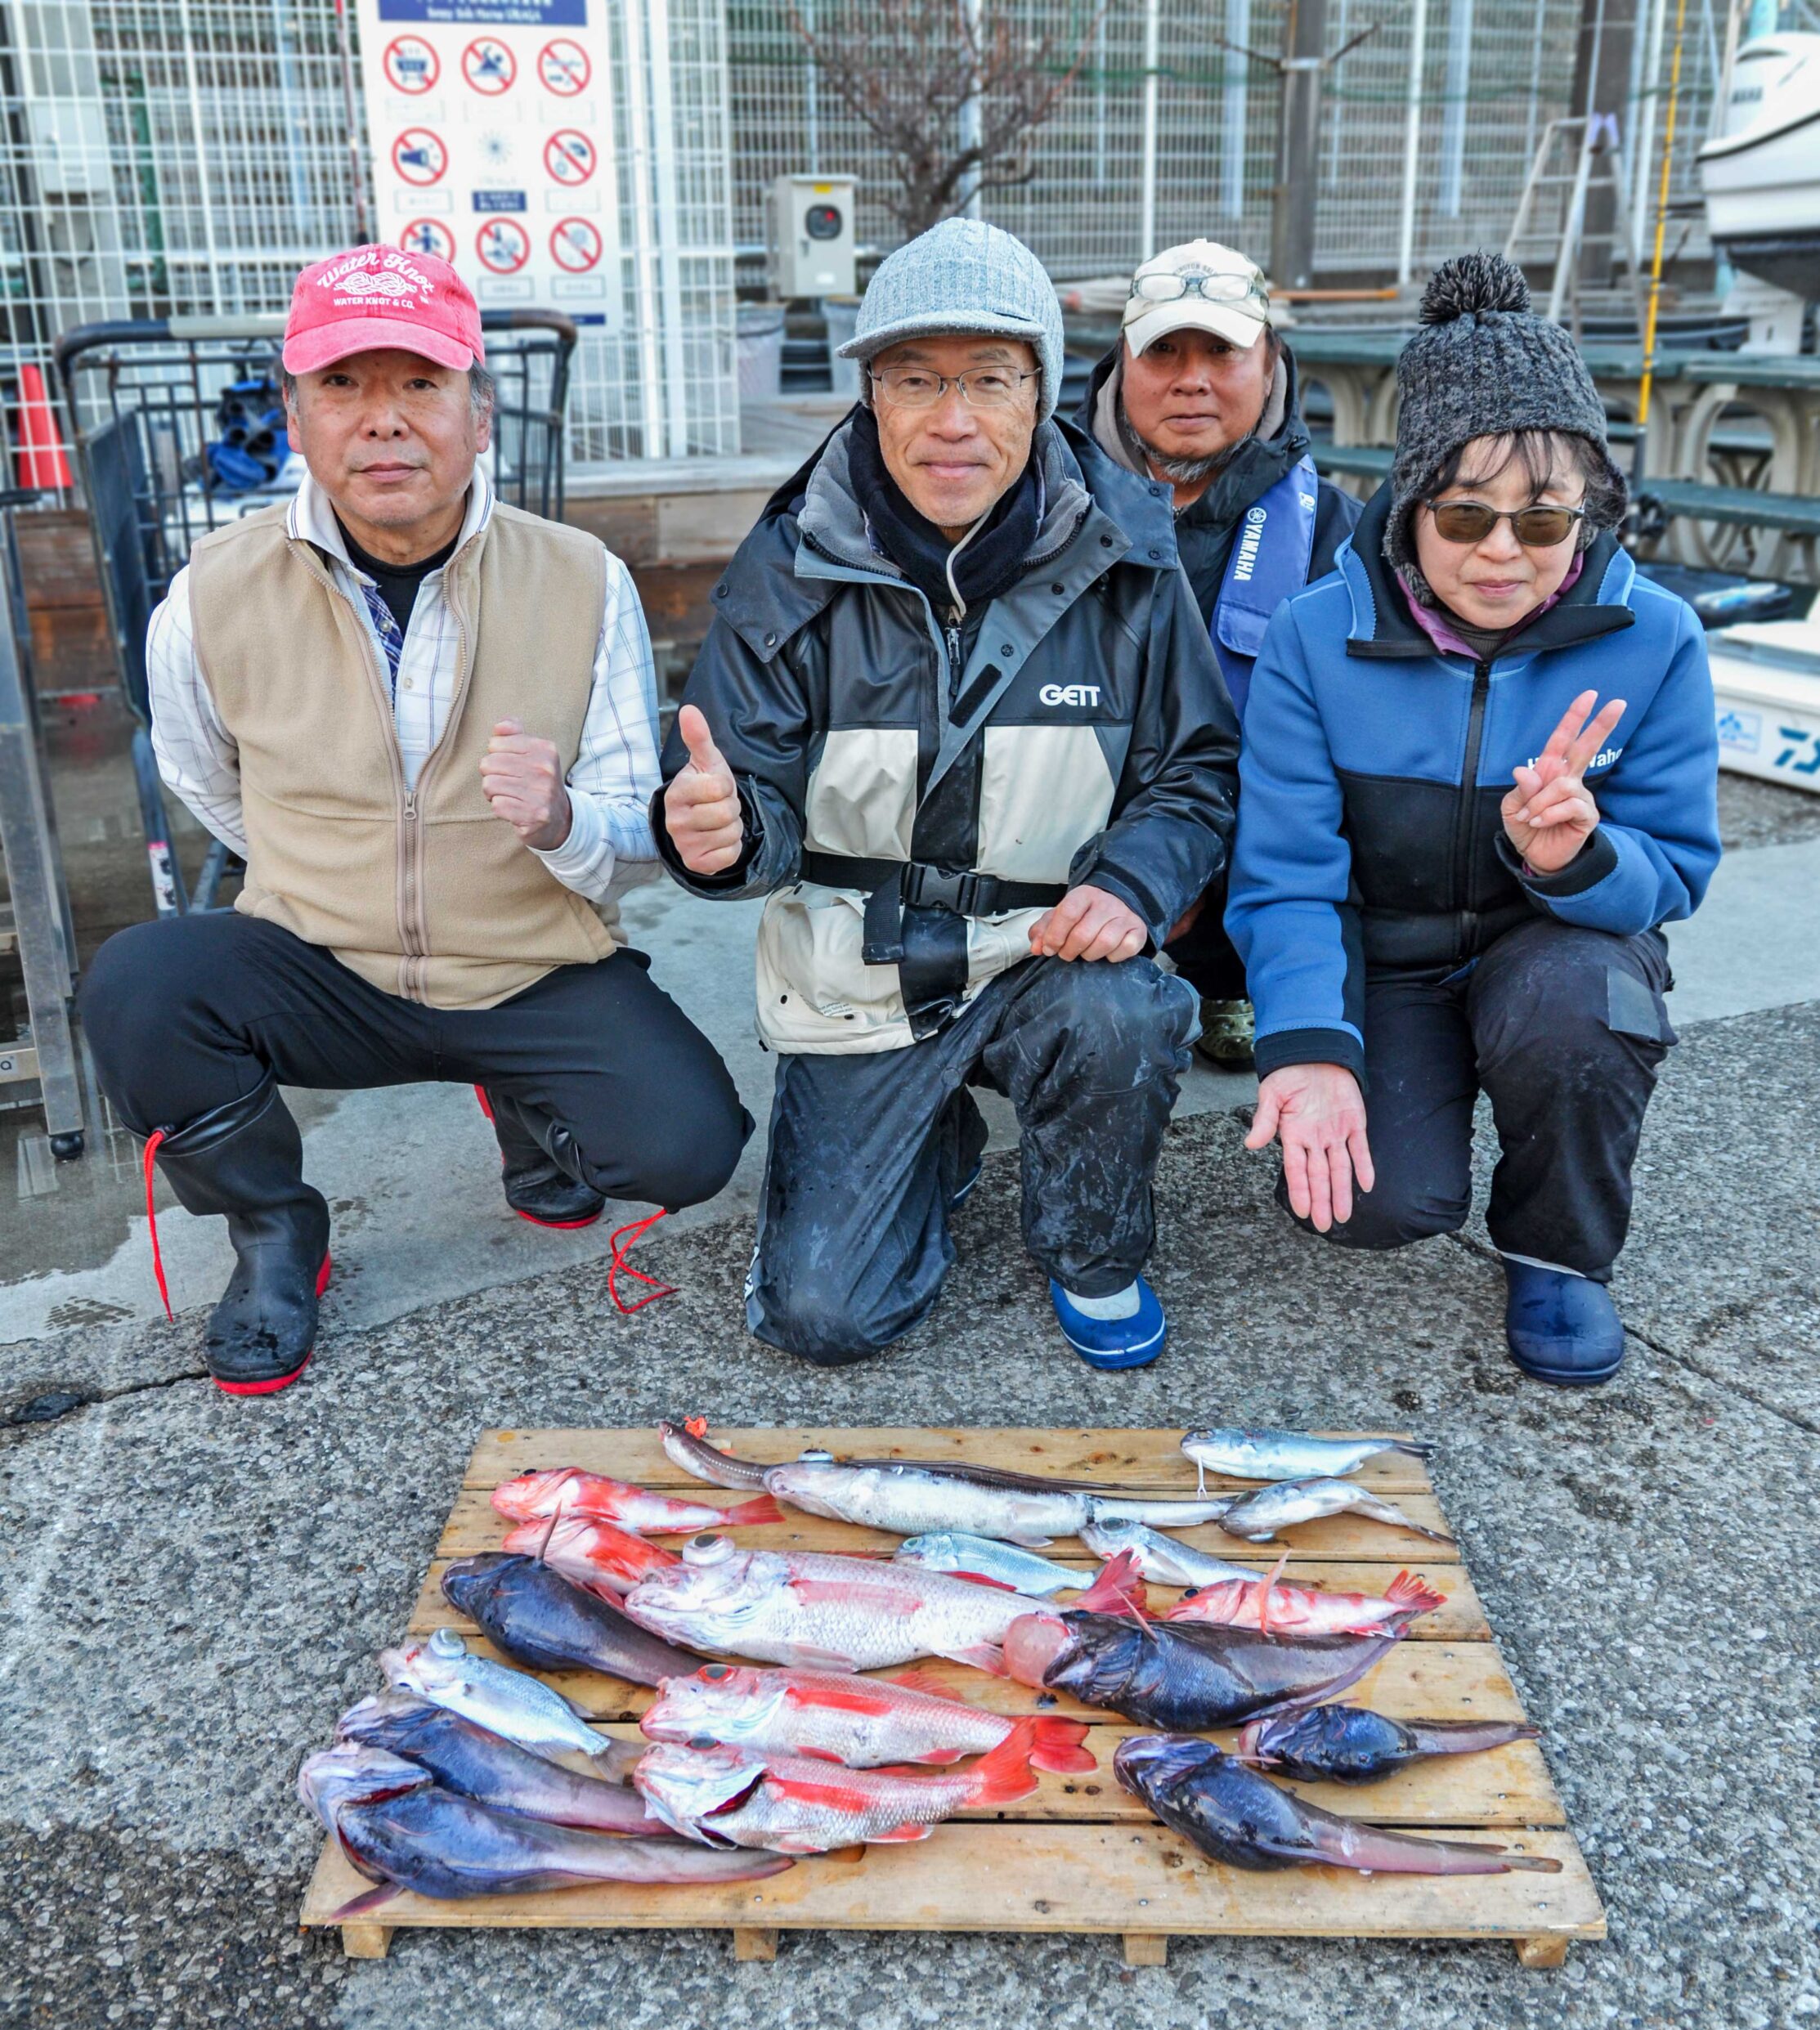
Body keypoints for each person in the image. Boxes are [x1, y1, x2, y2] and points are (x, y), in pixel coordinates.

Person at [80, 244, 750, 1396]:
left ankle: (528, 1113)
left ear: (477, 415)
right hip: (318, 966)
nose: (382, 422)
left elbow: (632, 823)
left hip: (528, 963)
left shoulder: (582, 576)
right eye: (343, 386)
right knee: (142, 984)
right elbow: (204, 777)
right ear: (295, 417)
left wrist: (558, 823)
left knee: (691, 1148)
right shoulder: (212, 590)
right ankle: (275, 1234)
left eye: (419, 385)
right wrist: (318, 865)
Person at [657, 219, 1239, 1370]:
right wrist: (720, 837)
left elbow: (1197, 766)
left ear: (1042, 391)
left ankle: (1093, 1249)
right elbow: (745, 796)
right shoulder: (788, 561)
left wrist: (1132, 879)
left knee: (1125, 1014)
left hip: (1047, 951)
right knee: (822, 1319)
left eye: (988, 377)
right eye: (915, 378)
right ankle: (933, 1133)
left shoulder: (1128, 552)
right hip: (862, 966)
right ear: (871, 395)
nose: (953, 419)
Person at [1226, 252, 1720, 1386]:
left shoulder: (1657, 638)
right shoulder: (1312, 634)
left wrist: (1580, 858)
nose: (1502, 553)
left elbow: (1679, 865)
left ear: (1586, 514)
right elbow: (1288, 872)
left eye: (1542, 523)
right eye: (1464, 515)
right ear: (1409, 506)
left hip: (1544, 944)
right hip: (1388, 958)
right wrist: (1306, 1046)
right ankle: (1400, 1089)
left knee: (1579, 1015)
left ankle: (1555, 1253)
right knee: (1369, 1208)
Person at [1082, 240, 1360, 1069]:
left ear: (1271, 361)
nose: (1190, 377)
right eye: (1162, 349)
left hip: (1241, 835)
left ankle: (1233, 976)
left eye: (1221, 350)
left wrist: (1195, 864)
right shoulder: (1041, 501)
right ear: (1121, 363)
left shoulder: (1343, 536)